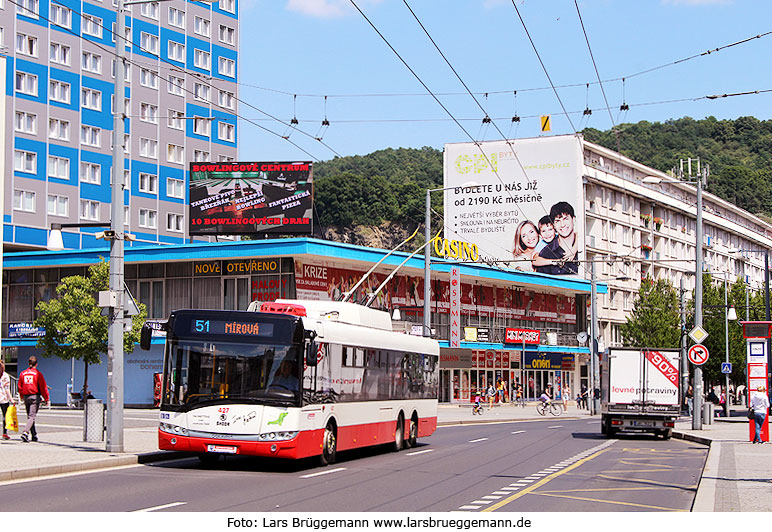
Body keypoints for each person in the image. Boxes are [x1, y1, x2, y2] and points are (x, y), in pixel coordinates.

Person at [534, 202, 579, 275]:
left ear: (573, 219)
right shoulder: (546, 254)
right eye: (558, 221)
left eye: (565, 219)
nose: (562, 225)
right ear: (554, 225)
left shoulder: (583, 246)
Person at [18, 356, 49, 443]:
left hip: (26, 396)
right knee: (32, 416)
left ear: (29, 363)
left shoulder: (23, 373)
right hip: (34, 397)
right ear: (36, 364)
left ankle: (34, 435)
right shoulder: (38, 374)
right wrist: (46, 398)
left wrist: (21, 396)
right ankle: (25, 432)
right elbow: (43, 387)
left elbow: (20, 386)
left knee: (30, 417)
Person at [0, 361, 16, 441]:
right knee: (5, 416)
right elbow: (7, 389)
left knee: (5, 416)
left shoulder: (5, 376)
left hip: (3, 398)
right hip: (3, 398)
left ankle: (5, 433)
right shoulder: (5, 376)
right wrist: (11, 399)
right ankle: (5, 433)